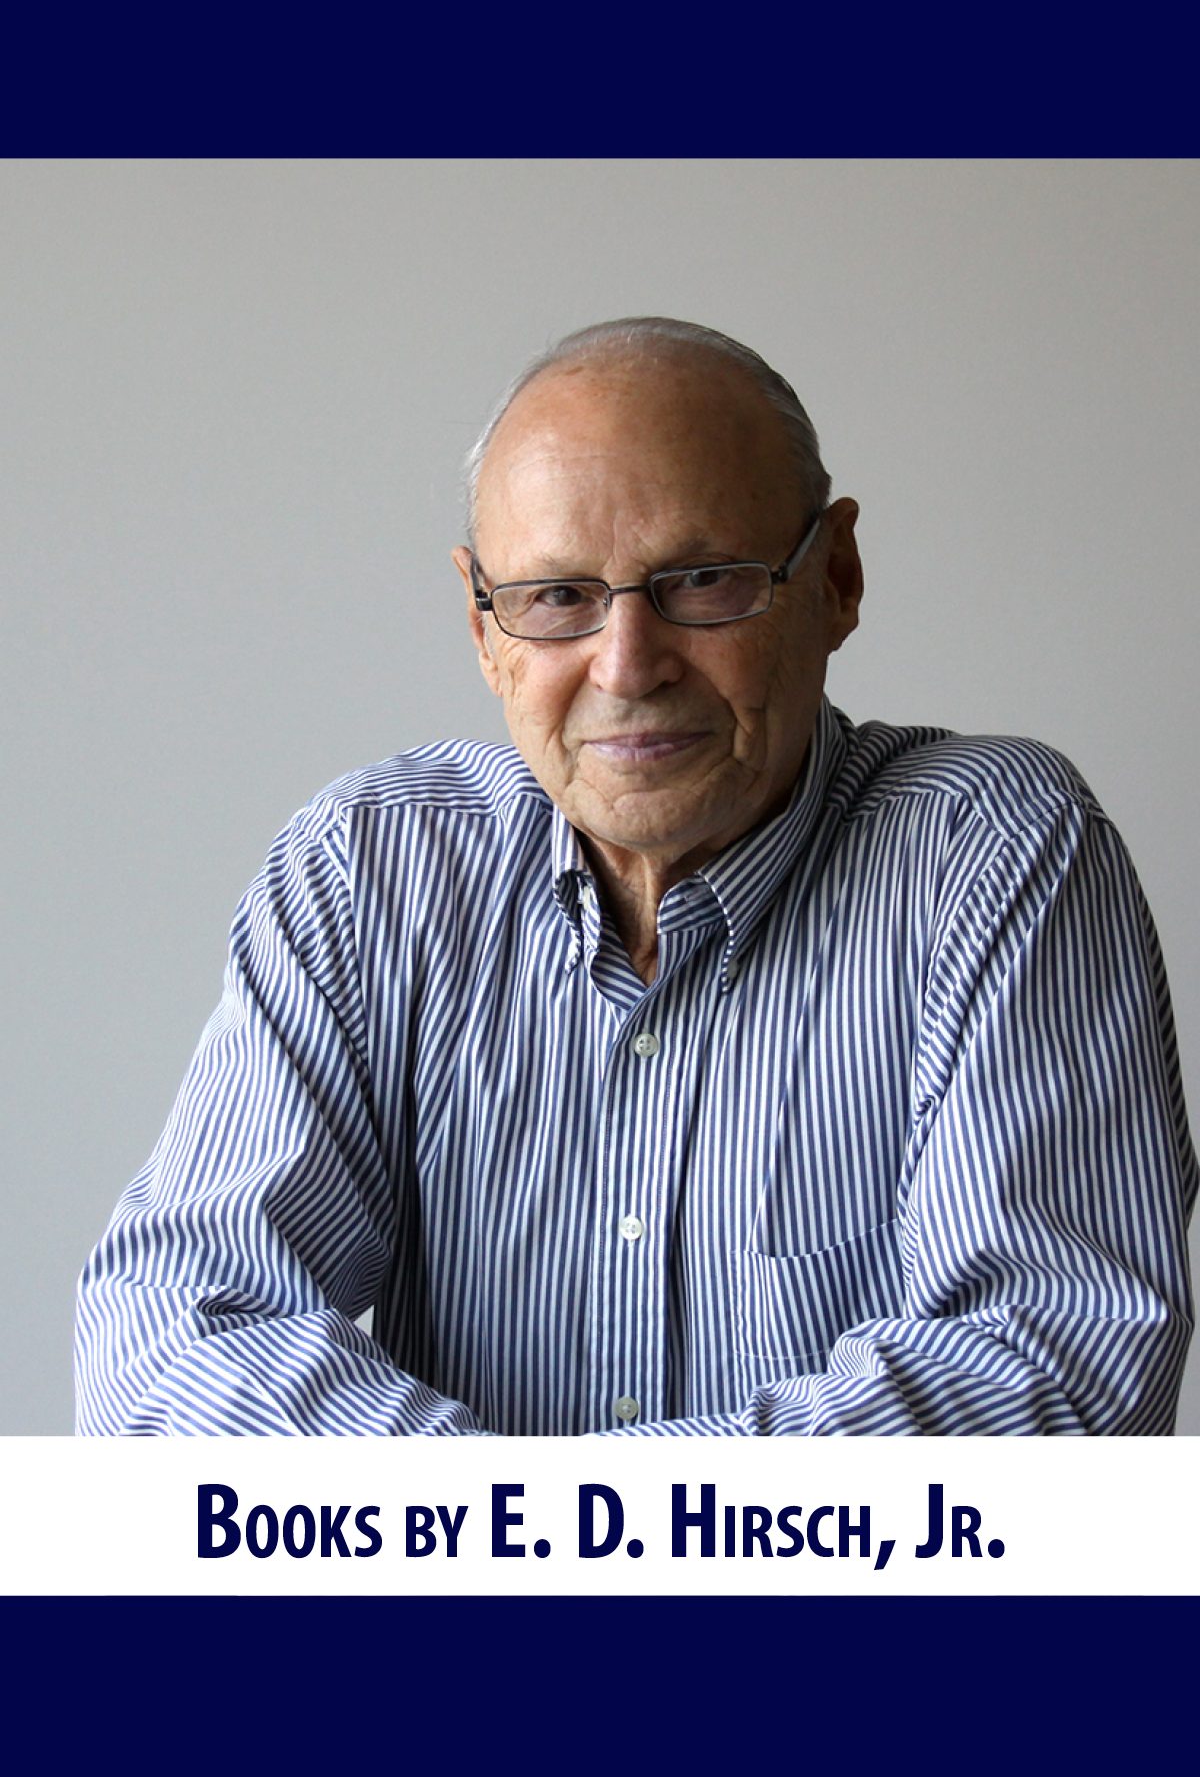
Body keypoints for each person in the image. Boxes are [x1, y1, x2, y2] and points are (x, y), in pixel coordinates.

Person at [75, 316, 1197, 1436]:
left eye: (702, 581)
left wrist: (510, 1523)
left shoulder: (990, 854)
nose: (625, 666)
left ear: (836, 578)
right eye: (557, 597)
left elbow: (1053, 1373)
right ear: (483, 628)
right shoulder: (374, 869)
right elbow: (171, 1343)